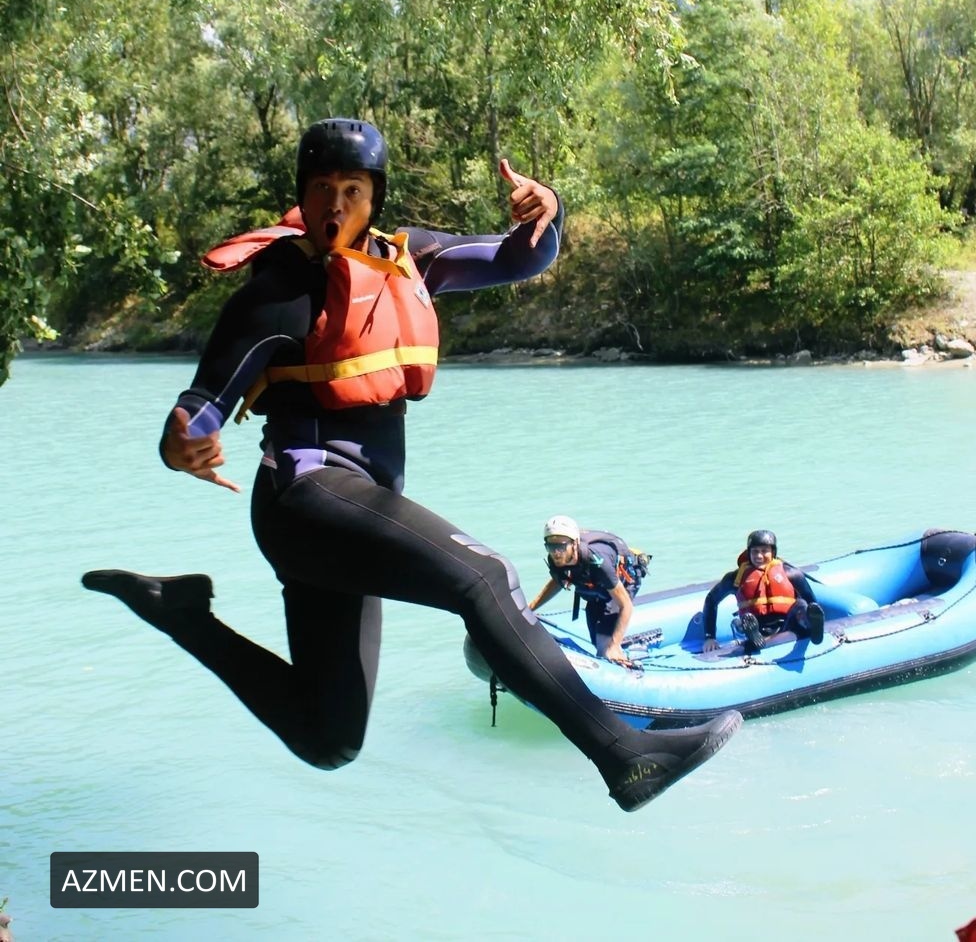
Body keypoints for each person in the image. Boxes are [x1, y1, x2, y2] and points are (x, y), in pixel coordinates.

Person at [82, 117, 741, 812]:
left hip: (349, 519)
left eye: (353, 190)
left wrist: (547, 209)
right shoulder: (277, 292)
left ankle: (184, 615)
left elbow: (518, 258)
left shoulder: (409, 258)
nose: (336, 205)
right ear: (301, 196)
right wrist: (183, 439)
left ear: (375, 197)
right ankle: (625, 756)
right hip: (303, 499)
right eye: (321, 188)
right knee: (485, 577)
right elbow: (203, 402)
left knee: (329, 737)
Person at [528, 516, 643, 665]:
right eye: (551, 546)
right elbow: (558, 581)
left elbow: (626, 605)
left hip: (622, 583)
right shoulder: (556, 559)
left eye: (561, 546)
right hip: (597, 590)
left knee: (606, 651)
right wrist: (530, 608)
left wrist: (614, 645)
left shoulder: (598, 563)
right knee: (596, 639)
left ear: (575, 543)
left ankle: (624, 657)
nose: (556, 552)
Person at [701, 529, 825, 653]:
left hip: (788, 624)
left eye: (764, 551)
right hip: (757, 627)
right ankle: (755, 637)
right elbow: (711, 600)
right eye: (755, 551)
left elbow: (812, 602)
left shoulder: (791, 573)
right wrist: (709, 637)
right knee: (747, 620)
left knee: (801, 604)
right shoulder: (736, 578)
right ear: (749, 553)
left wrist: (811, 615)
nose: (759, 556)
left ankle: (812, 628)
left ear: (773, 552)